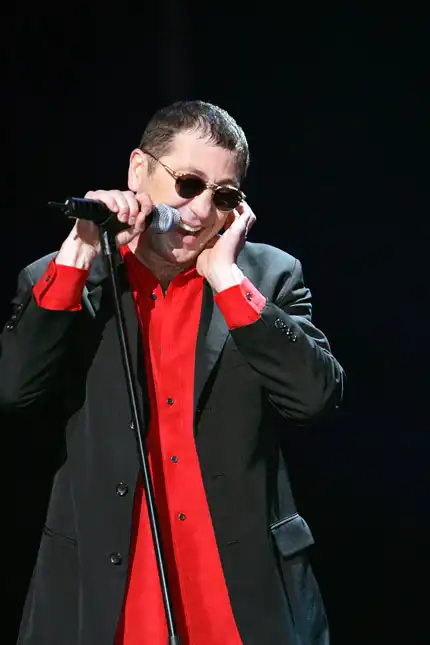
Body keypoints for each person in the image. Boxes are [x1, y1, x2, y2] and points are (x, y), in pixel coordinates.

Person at [3, 100, 344, 645]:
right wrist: (79, 257)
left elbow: (315, 398)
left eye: (223, 196)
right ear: (139, 170)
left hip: (240, 598)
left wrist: (228, 283)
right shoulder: (68, 279)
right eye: (188, 184)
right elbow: (15, 390)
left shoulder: (268, 278)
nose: (201, 212)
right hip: (107, 597)